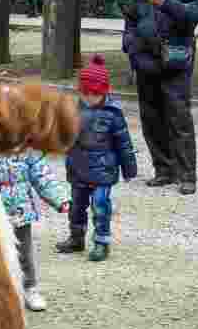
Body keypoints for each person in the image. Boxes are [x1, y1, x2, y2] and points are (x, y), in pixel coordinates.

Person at [121, 0, 198, 195]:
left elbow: (194, 15)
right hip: (146, 63)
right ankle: (164, 170)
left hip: (176, 63)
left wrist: (166, 2)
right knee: (152, 120)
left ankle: (187, 175)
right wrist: (130, 46)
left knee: (179, 119)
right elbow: (131, 19)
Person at [56, 55, 137, 261]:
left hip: (103, 169)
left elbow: (124, 144)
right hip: (78, 167)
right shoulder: (73, 110)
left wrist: (129, 169)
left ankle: (101, 242)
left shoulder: (113, 114)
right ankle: (76, 237)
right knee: (76, 206)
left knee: (100, 205)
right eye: (86, 93)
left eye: (95, 94)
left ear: (104, 91)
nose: (90, 98)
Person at [0, 149, 70, 311]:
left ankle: (30, 288)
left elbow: (42, 175)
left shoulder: (27, 146)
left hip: (20, 210)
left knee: (24, 252)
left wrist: (59, 198)